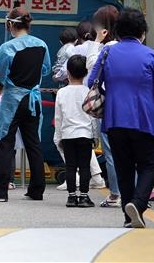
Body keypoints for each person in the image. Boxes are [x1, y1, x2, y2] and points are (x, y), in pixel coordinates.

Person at [89, 8, 154, 228]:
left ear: (117, 31)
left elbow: (91, 80)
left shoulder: (108, 53)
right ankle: (137, 205)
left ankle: (129, 217)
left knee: (124, 169)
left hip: (114, 120)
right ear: (142, 32)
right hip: (144, 120)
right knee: (149, 166)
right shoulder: (150, 55)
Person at [0, 7, 50, 202]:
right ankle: (37, 190)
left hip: (13, 100)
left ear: (10, 24)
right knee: (33, 144)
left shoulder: (7, 48)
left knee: (5, 143)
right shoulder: (42, 45)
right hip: (33, 99)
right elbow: (45, 69)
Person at [86, 5, 122, 208]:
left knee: (111, 152)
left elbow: (91, 67)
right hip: (129, 105)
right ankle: (134, 193)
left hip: (110, 105)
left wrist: (96, 41)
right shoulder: (127, 45)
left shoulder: (106, 47)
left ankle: (115, 194)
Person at [54, 55, 96, 208]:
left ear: (68, 72)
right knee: (85, 166)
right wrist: (95, 136)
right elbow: (93, 117)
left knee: (70, 166)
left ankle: (71, 197)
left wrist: (57, 136)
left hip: (68, 134)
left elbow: (58, 117)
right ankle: (84, 196)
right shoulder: (88, 91)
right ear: (85, 73)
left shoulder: (62, 93)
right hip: (85, 133)